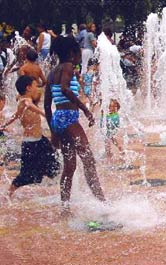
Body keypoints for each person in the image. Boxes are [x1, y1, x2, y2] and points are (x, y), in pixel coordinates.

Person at [44, 36, 105, 211]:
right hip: (69, 118)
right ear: (72, 53)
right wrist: (85, 110)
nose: (79, 56)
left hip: (59, 119)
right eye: (78, 52)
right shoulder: (68, 67)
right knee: (88, 159)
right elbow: (64, 88)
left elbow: (47, 105)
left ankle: (65, 206)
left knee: (69, 166)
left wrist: (53, 131)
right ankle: (102, 201)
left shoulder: (52, 72)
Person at [0, 75, 59, 198]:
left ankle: (55, 190)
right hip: (30, 143)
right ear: (28, 88)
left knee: (53, 164)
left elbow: (16, 115)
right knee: (27, 175)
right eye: (35, 86)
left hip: (40, 140)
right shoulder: (25, 101)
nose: (37, 88)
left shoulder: (23, 100)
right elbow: (29, 105)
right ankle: (9, 193)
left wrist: (4, 125)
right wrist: (45, 114)